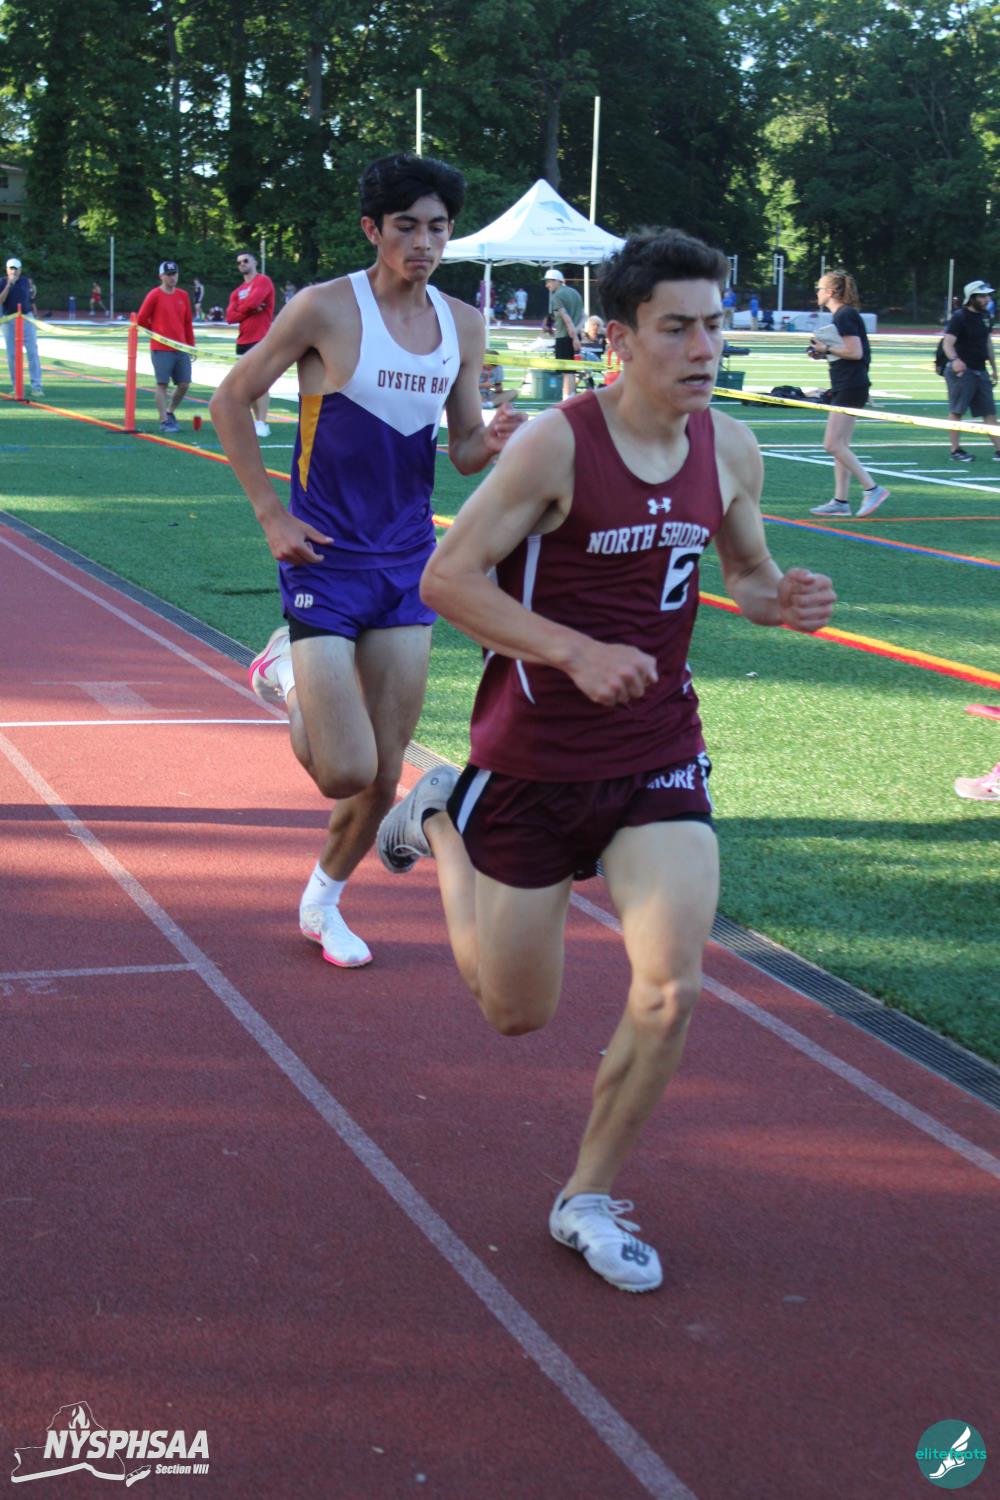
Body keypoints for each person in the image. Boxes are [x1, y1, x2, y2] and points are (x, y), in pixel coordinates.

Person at [376, 227, 836, 1293]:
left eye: (714, 325)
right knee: (514, 1011)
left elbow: (746, 574)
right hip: (533, 760)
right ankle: (442, 815)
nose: (704, 348)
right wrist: (572, 651)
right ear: (619, 339)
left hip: (657, 751)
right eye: (676, 328)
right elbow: (448, 579)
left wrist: (781, 601)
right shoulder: (556, 446)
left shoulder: (731, 448)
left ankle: (586, 1195)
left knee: (671, 988)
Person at [209, 152, 525, 969]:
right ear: (372, 230)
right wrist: (270, 512)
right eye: (406, 227)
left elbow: (462, 448)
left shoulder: (463, 324)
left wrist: (492, 438)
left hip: (408, 563)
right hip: (322, 558)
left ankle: (324, 901)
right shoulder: (324, 308)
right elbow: (231, 398)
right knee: (342, 770)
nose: (424, 243)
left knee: (384, 777)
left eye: (438, 228)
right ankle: (284, 670)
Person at [806, 269, 889, 517]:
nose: (817, 293)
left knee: (832, 444)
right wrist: (822, 352)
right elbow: (848, 352)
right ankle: (840, 501)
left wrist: (826, 348)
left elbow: (855, 352)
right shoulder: (843, 315)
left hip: (851, 385)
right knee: (840, 445)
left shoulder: (845, 315)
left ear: (830, 292)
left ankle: (872, 488)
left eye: (819, 288)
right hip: (848, 384)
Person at [941, 279, 1000, 464]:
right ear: (971, 298)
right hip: (962, 371)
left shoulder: (986, 316)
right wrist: (955, 361)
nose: (986, 299)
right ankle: (955, 450)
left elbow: (987, 343)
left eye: (987, 296)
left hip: (981, 370)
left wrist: (993, 368)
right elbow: (947, 343)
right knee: (957, 411)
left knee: (989, 412)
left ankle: (999, 449)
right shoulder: (960, 317)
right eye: (982, 296)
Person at [136, 260, 195, 434]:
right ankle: (164, 420)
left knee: (184, 384)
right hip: (161, 348)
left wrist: (191, 346)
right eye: (168, 275)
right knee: (162, 383)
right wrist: (156, 334)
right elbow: (141, 319)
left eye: (174, 274)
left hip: (180, 347)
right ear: (161, 276)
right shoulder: (154, 294)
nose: (172, 278)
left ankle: (170, 412)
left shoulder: (183, 295)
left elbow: (187, 322)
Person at [226, 251, 276, 438]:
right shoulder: (237, 291)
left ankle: (262, 422)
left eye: (246, 260)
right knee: (246, 384)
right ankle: (257, 421)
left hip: (260, 338)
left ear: (254, 262)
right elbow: (230, 317)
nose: (242, 264)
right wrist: (250, 310)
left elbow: (254, 301)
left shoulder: (263, 281)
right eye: (239, 262)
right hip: (242, 340)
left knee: (260, 382)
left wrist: (245, 307)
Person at [0, 255, 43, 396]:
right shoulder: (2, 282)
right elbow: (1, 300)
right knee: (12, 354)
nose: (13, 271)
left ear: (20, 270)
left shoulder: (25, 281)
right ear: (7, 269)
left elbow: (26, 298)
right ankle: (16, 386)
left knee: (32, 351)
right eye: (11, 268)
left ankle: (36, 386)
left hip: (26, 318)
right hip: (9, 320)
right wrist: (8, 285)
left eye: (16, 269)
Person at [543, 268, 584, 398]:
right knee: (571, 370)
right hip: (575, 335)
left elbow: (566, 318)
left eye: (549, 282)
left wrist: (573, 337)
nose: (547, 285)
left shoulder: (556, 296)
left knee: (567, 371)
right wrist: (576, 334)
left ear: (557, 281)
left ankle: (567, 398)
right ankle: (570, 397)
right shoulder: (575, 293)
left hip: (564, 337)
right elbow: (583, 317)